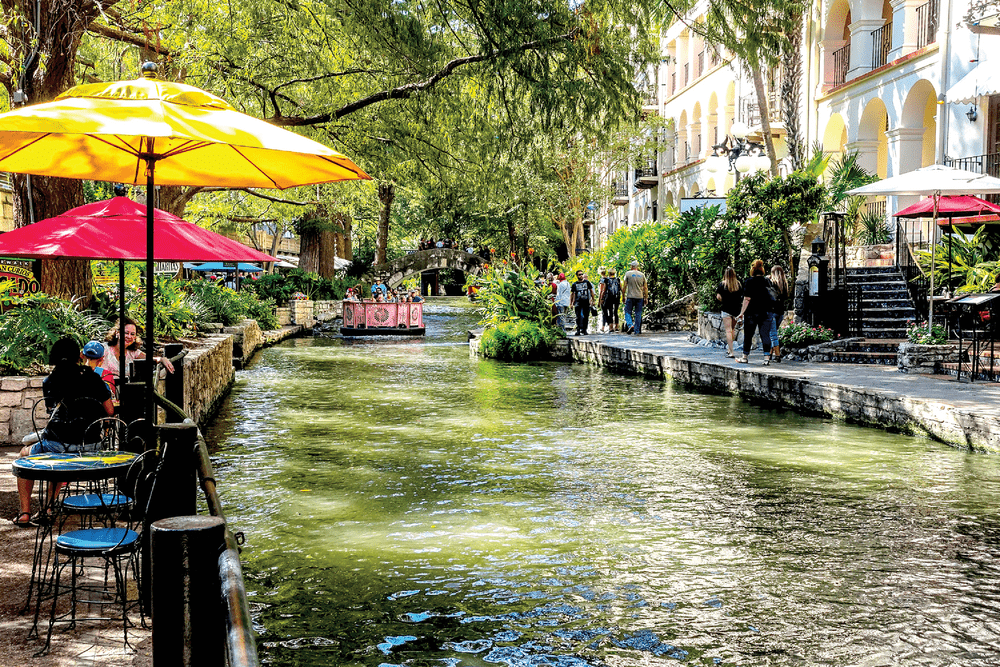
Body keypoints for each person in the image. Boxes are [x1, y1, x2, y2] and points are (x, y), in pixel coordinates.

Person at [12, 338, 114, 527]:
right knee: (57, 451)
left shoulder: (50, 381)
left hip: (59, 444)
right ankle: (50, 507)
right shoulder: (93, 377)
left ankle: (25, 512)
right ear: (80, 355)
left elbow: (52, 411)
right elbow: (109, 412)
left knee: (24, 456)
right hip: (90, 445)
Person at [103, 317, 175, 379]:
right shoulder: (104, 349)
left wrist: (162, 359)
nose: (129, 336)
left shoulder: (133, 352)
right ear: (117, 333)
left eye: (132, 334)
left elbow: (150, 358)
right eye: (126, 333)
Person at [736, 259, 776, 365]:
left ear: (752, 269)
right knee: (765, 335)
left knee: (748, 335)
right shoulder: (767, 281)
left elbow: (747, 299)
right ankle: (766, 359)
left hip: (752, 312)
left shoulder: (749, 281)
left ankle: (745, 357)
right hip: (766, 311)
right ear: (762, 268)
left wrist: (741, 313)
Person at [715, 267, 744, 358]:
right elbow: (742, 297)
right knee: (732, 330)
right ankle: (729, 350)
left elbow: (718, 297)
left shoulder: (722, 285)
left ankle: (731, 352)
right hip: (736, 310)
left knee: (728, 331)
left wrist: (724, 299)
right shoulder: (738, 284)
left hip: (726, 309)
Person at [767, 265, 790, 363]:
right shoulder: (784, 284)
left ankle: (777, 355)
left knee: (772, 334)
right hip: (780, 312)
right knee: (773, 333)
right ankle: (770, 354)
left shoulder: (771, 283)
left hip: (771, 311)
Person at [623, 260, 648, 335]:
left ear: (631, 266)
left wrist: (623, 295)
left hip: (630, 296)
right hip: (639, 297)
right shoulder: (642, 275)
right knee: (638, 313)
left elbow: (624, 286)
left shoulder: (627, 274)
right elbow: (645, 288)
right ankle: (637, 331)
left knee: (627, 311)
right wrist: (646, 298)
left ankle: (630, 325)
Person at [569, 270, 595, 336]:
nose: (581, 275)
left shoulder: (587, 282)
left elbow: (591, 291)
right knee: (578, 316)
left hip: (586, 301)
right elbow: (572, 294)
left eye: (582, 274)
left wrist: (593, 300)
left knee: (586, 316)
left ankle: (584, 330)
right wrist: (571, 303)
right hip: (578, 302)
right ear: (577, 276)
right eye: (579, 274)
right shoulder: (575, 284)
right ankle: (578, 329)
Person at [600, 267, 622, 334]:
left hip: (609, 297)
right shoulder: (618, 279)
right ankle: (617, 327)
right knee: (616, 312)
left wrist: (601, 298)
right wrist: (623, 296)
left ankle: (611, 327)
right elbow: (621, 288)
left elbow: (604, 290)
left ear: (609, 273)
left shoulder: (606, 280)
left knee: (610, 312)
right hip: (616, 297)